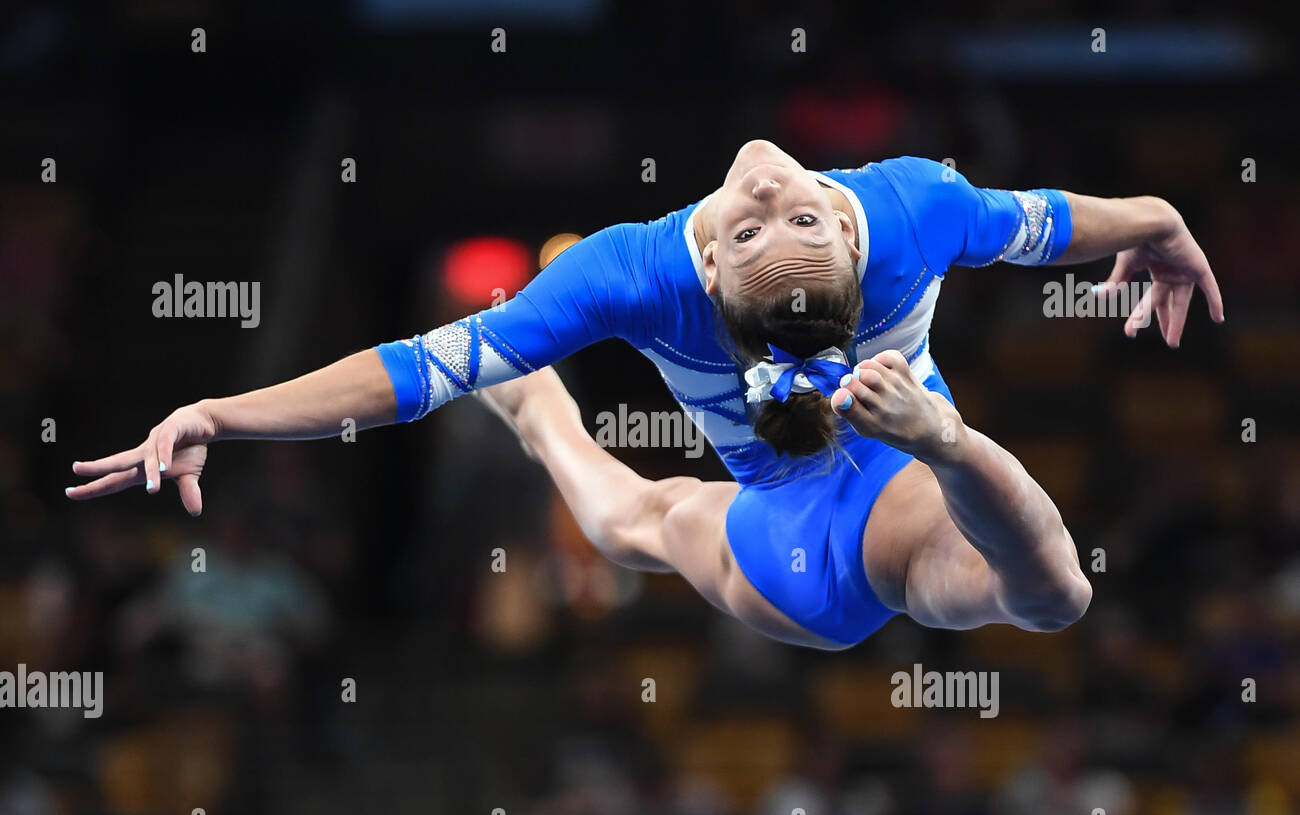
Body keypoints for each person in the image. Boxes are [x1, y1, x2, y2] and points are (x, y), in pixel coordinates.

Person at [66, 141, 1224, 649]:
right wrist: (1163, 223)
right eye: (775, 215)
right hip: (877, 485)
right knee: (630, 521)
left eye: (789, 215)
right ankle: (539, 404)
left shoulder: (872, 218)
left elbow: (1063, 229)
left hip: (831, 526)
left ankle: (536, 409)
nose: (769, 182)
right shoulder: (886, 211)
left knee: (634, 519)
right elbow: (411, 374)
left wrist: (1160, 226)